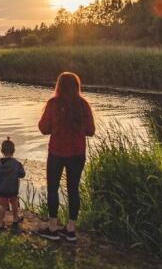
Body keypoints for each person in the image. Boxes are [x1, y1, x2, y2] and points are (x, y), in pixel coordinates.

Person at [36, 72, 95, 242]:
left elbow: (43, 128)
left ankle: (53, 228)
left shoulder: (53, 103)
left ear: (59, 85)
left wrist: (57, 127)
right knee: (73, 189)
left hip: (57, 152)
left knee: (53, 189)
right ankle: (70, 229)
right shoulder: (83, 105)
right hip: (77, 154)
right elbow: (91, 131)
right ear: (77, 86)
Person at [0, 137, 26, 229]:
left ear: (2, 151)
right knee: (14, 203)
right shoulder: (17, 164)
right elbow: (22, 174)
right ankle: (15, 218)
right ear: (13, 151)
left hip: (1, 189)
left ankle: (0, 222)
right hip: (13, 189)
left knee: (3, 206)